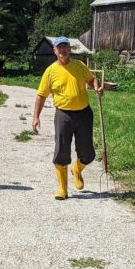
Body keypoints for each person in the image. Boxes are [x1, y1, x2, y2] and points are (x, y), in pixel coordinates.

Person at [31, 36, 103, 200]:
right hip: (63, 114)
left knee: (88, 153)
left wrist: (97, 87)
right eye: (60, 47)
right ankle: (62, 189)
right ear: (55, 51)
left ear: (70, 49)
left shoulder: (79, 65)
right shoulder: (50, 71)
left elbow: (92, 79)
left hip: (84, 113)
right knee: (62, 151)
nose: (63, 50)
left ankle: (77, 170)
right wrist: (36, 117)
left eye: (66, 47)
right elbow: (41, 95)